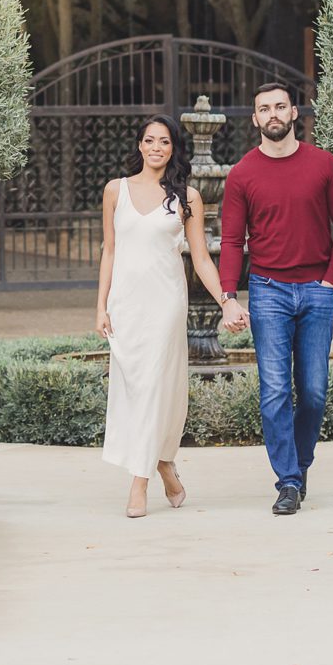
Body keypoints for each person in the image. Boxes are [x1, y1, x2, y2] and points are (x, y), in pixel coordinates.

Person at [217, 82, 333, 516]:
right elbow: (231, 239)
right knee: (275, 391)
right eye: (265, 109)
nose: (273, 114)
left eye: (280, 106)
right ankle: (290, 481)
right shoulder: (243, 173)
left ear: (295, 112)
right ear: (255, 119)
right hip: (267, 292)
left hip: (317, 290)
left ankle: (300, 464)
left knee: (313, 393)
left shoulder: (324, 165)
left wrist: (330, 281)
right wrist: (229, 296)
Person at [95, 115, 234, 518]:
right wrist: (100, 306)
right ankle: (164, 466)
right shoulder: (114, 191)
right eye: (150, 140)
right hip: (125, 305)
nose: (156, 147)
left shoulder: (187, 197)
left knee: (155, 385)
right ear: (139, 145)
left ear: (174, 149)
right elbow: (110, 251)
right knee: (134, 389)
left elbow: (203, 258)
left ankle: (139, 484)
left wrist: (226, 300)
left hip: (165, 304)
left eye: (165, 142)